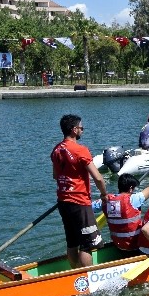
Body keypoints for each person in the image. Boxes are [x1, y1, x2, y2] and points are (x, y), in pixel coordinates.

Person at [51, 114, 108, 268]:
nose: (83, 130)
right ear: (74, 129)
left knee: (72, 241)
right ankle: (86, 277)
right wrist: (104, 195)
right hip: (79, 202)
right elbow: (98, 178)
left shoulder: (56, 150)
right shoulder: (80, 150)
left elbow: (56, 176)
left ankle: (74, 275)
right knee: (88, 244)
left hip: (63, 201)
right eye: (81, 128)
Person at [93, 158, 149, 252]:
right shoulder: (134, 199)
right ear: (131, 189)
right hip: (136, 244)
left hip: (118, 244)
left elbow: (90, 207)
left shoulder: (105, 200)